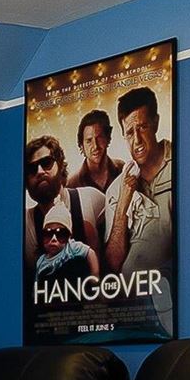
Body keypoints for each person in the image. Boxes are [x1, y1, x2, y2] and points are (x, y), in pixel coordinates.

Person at [99, 85, 173, 297]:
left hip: (171, 300)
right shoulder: (116, 189)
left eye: (142, 127)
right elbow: (113, 262)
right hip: (129, 307)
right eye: (130, 133)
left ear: (156, 123)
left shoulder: (181, 164)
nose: (137, 140)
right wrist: (124, 201)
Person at [23, 134, 106, 282]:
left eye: (46, 162)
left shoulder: (91, 199)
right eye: (31, 168)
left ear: (60, 166)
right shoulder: (24, 224)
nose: (40, 171)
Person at [72, 108, 121, 194]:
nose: (95, 146)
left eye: (99, 138)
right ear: (81, 146)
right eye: (89, 141)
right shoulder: (72, 184)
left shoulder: (121, 169)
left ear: (108, 139)